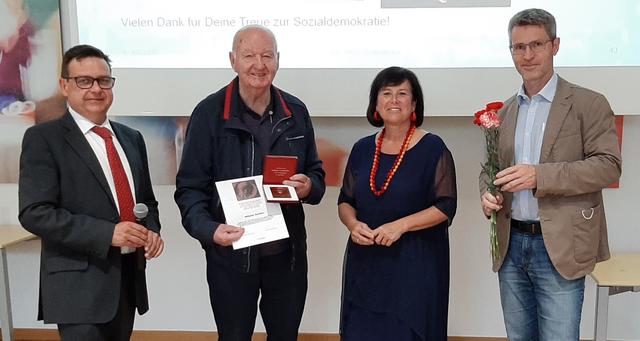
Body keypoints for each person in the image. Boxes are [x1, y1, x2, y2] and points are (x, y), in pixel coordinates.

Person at [174, 25, 325, 340]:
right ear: (233, 60)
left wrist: (309, 186)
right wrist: (210, 230)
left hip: (287, 258)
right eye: (249, 56)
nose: (259, 64)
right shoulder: (208, 114)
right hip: (230, 257)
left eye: (267, 55)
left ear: (278, 60)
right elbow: (189, 190)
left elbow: (316, 173)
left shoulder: (295, 112)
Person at [479, 8, 622, 341]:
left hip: (560, 245)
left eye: (536, 45)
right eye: (518, 47)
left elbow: (608, 166)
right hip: (511, 246)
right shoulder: (505, 111)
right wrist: (488, 194)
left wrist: (539, 176)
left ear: (555, 45)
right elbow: (491, 170)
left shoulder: (589, 103)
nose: (527, 55)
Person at [18, 44, 164, 341]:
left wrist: (151, 231)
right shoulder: (43, 138)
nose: (96, 89)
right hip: (77, 289)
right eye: (84, 81)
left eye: (104, 80)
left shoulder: (131, 138)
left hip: (126, 284)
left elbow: (145, 202)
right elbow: (34, 213)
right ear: (64, 86)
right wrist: (107, 234)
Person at [338, 66, 457, 341]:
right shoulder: (362, 148)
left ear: (414, 103)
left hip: (415, 264)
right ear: (376, 103)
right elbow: (345, 200)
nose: (394, 100)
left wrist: (400, 227)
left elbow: (446, 205)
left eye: (402, 93)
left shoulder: (433, 147)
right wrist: (353, 224)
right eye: (387, 93)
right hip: (366, 264)